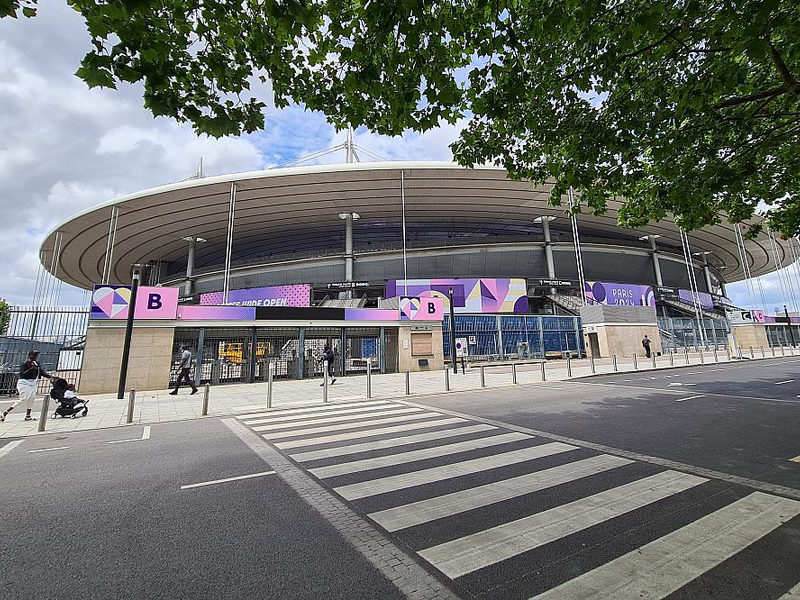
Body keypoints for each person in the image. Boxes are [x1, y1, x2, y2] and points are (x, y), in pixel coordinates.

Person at [1, 350, 53, 422]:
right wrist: (30, 369)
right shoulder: (24, 363)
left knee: (32, 398)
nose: (35, 356)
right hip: (24, 383)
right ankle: (5, 412)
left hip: (33, 383)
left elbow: (42, 372)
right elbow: (22, 374)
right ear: (30, 355)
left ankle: (28, 415)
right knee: (24, 399)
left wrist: (51, 377)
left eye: (36, 355)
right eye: (33, 355)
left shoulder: (37, 363)